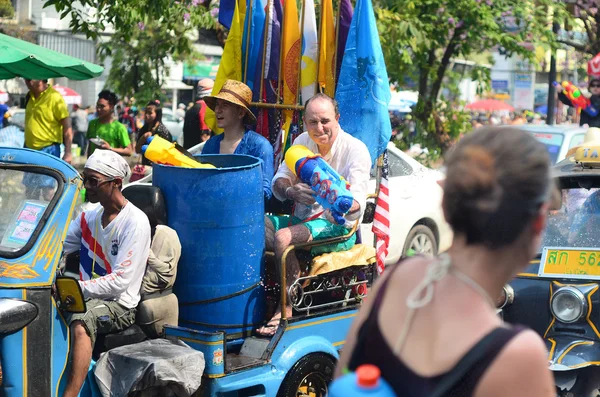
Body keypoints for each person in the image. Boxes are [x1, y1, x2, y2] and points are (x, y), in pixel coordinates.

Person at [334, 126, 555, 396]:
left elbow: (341, 381)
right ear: (539, 222)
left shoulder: (396, 280)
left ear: (447, 205)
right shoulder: (519, 358)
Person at [256, 93, 371, 336]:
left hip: (338, 226)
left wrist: (334, 197)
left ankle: (286, 308)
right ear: (305, 122)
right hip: (302, 219)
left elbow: (358, 205)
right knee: (254, 226)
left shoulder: (355, 150)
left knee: (282, 238)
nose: (319, 128)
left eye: (325, 121)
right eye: (312, 122)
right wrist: (291, 190)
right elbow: (279, 180)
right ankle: (272, 291)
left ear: (337, 119)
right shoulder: (301, 141)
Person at [61, 150, 151, 397]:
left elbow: (120, 283)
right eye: (85, 178)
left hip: (120, 305)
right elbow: (58, 246)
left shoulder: (136, 222)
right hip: (85, 295)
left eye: (93, 180)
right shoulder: (88, 217)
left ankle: (71, 394)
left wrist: (77, 288)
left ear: (116, 183)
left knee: (82, 319)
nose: (87, 186)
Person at [202, 79, 274, 201]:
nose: (218, 110)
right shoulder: (211, 145)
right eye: (217, 105)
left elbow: (265, 190)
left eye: (225, 105)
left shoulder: (260, 146)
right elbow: (201, 179)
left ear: (241, 113)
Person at [24, 79, 73, 163]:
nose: (27, 82)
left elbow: (67, 127)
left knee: (46, 176)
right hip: (29, 150)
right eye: (25, 79)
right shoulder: (29, 96)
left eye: (30, 78)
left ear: (41, 78)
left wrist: (68, 152)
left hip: (48, 150)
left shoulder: (54, 97)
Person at [87, 90, 133, 157]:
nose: (98, 109)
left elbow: (129, 151)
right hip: (94, 166)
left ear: (111, 107)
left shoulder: (119, 127)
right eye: (97, 106)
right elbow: (90, 147)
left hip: (110, 165)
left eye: (102, 106)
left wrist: (110, 148)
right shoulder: (92, 124)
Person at [135, 100, 173, 166]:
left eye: (150, 113)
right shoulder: (143, 129)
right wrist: (144, 137)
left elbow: (166, 154)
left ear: (157, 114)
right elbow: (137, 150)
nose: (147, 115)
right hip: (146, 167)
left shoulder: (162, 131)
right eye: (146, 112)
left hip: (159, 167)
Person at [183, 78, 214, 149]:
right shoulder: (205, 107)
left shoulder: (191, 108)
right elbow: (205, 136)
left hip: (189, 152)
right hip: (198, 155)